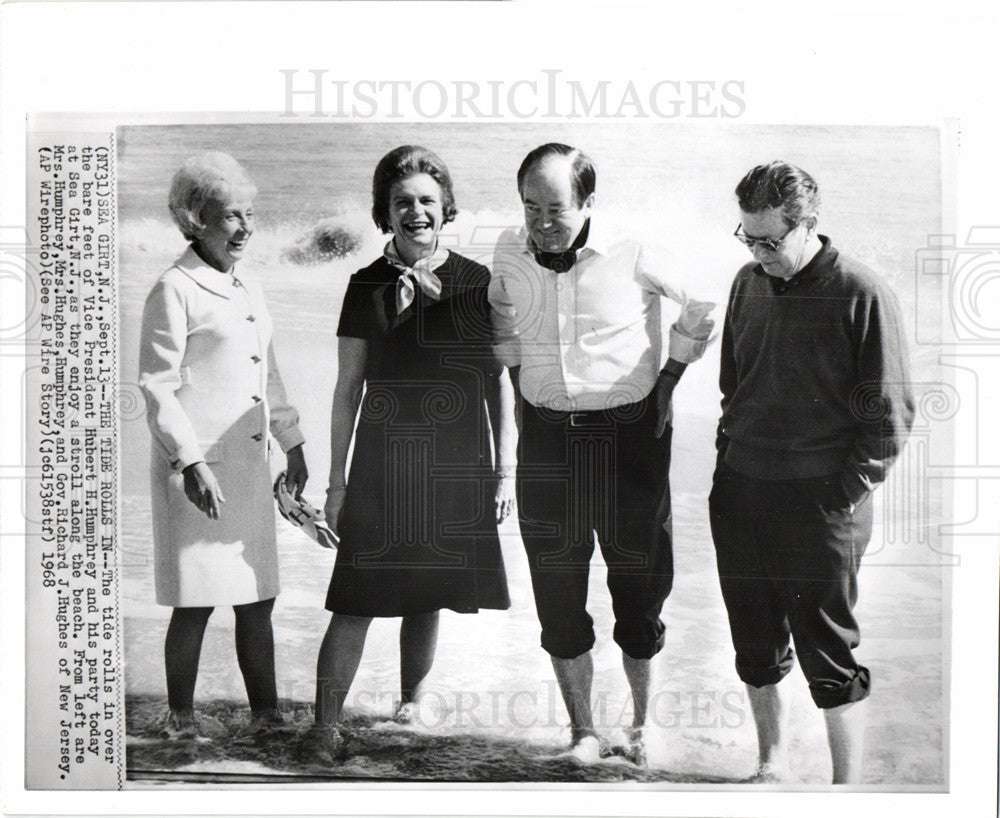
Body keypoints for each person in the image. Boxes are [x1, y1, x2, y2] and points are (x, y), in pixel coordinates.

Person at [488, 143, 714, 764]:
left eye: (555, 208)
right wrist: (518, 381)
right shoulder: (508, 250)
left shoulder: (633, 249)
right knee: (556, 592)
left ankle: (642, 728)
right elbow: (500, 317)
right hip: (547, 441)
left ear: (589, 202)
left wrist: (668, 380)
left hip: (629, 439)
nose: (540, 222)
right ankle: (583, 730)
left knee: (639, 594)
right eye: (530, 207)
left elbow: (700, 303)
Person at [306, 145, 516, 761]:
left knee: (429, 591)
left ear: (445, 208)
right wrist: (336, 485)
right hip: (381, 464)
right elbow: (347, 388)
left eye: (427, 200)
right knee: (355, 598)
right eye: (403, 202)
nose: (416, 211)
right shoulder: (364, 284)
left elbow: (498, 382)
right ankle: (324, 724)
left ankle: (410, 706)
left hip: (456, 464)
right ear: (385, 213)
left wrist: (505, 473)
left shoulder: (478, 281)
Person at [709, 161, 915, 784]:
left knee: (829, 652)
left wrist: (845, 491)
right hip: (741, 489)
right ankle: (770, 767)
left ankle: (844, 790)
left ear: (808, 226)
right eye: (748, 237)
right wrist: (727, 460)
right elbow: (732, 386)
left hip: (822, 500)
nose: (758, 252)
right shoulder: (747, 282)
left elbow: (892, 412)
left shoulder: (861, 290)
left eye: (770, 240)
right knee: (754, 643)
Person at [139, 151, 309, 739]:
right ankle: (180, 719)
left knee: (257, 598)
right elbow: (155, 388)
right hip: (195, 470)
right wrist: (188, 463)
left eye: (250, 213)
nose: (246, 227)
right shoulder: (172, 288)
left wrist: (294, 443)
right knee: (195, 602)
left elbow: (272, 374)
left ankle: (267, 715)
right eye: (230, 215)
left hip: (251, 466)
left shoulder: (248, 285)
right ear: (195, 221)